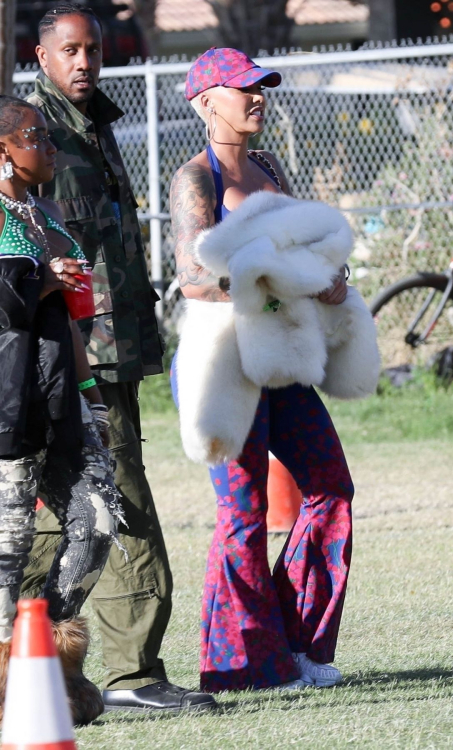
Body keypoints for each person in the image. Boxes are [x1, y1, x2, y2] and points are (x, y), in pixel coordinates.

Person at [20, 3, 216, 713]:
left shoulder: (95, 123)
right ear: (41, 56)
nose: (84, 62)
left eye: (93, 50)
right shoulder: (26, 131)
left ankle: (36, 655)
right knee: (115, 503)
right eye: (69, 51)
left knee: (66, 507)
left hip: (109, 345)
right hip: (68, 351)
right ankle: (134, 673)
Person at [170, 47, 354, 693]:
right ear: (206, 101)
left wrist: (331, 276)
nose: (257, 97)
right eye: (243, 87)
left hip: (284, 357)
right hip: (224, 365)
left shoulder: (270, 166)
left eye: (262, 86)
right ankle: (242, 666)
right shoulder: (196, 181)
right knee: (243, 518)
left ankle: (299, 645)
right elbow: (193, 280)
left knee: (331, 488)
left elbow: (306, 246)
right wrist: (278, 286)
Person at [0, 95, 120, 725]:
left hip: (62, 394)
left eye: (47, 136)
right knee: (8, 544)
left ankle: (40, 653)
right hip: (9, 401)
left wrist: (92, 394)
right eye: (34, 136)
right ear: (2, 150)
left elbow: (69, 319)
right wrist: (40, 281)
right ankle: (11, 685)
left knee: (97, 518)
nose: (47, 146)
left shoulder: (43, 210)